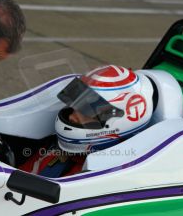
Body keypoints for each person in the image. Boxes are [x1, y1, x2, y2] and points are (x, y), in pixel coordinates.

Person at [19, 65, 154, 177]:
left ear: (119, 122)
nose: (72, 117)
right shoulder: (55, 152)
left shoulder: (110, 177)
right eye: (76, 106)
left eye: (86, 112)